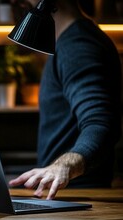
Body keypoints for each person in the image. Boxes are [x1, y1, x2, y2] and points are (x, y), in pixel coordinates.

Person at [8, 0, 122, 199]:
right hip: (65, 195)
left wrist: (64, 166)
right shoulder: (71, 40)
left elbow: (101, 124)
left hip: (79, 196)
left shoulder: (78, 45)